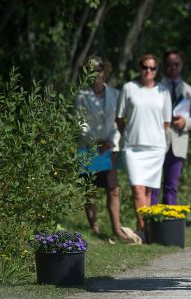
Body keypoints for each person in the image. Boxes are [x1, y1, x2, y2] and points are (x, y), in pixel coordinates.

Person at [75, 56, 134, 243]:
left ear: (104, 71)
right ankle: (94, 226)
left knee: (113, 188)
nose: (96, 73)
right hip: (88, 147)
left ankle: (117, 228)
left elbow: (119, 122)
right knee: (90, 189)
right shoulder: (81, 96)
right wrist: (95, 141)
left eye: (99, 69)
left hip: (110, 147)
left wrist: (111, 141)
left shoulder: (116, 95)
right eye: (92, 70)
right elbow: (80, 124)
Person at [116, 54, 172, 240]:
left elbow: (166, 122)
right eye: (145, 67)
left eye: (152, 68)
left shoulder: (163, 91)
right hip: (132, 147)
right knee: (138, 190)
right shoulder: (128, 88)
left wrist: (154, 135)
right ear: (139, 68)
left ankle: (146, 229)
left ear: (156, 71)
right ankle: (143, 230)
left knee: (148, 191)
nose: (148, 71)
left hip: (155, 148)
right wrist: (129, 133)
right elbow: (119, 118)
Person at [151, 51, 191, 205]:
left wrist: (185, 122)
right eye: (169, 64)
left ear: (181, 66)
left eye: (176, 64)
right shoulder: (155, 88)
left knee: (171, 186)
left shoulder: (189, 90)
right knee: (153, 186)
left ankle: (168, 223)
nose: (172, 67)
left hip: (178, 143)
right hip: (157, 141)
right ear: (163, 67)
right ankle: (152, 223)